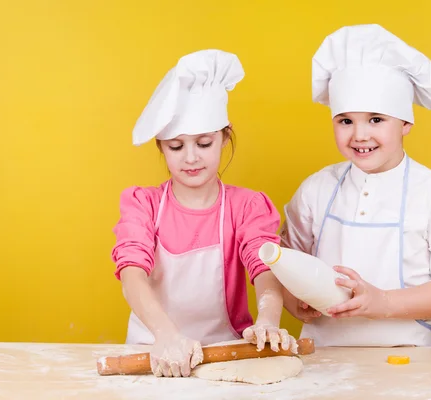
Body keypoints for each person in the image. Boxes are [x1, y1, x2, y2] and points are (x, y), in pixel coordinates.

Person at [280, 24, 431, 347]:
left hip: (406, 359)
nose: (359, 135)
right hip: (321, 359)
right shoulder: (316, 190)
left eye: (376, 119)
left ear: (405, 123)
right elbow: (285, 260)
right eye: (346, 120)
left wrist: (382, 302)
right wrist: (294, 299)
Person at [112, 49, 297, 378]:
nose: (191, 158)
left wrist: (267, 321)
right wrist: (166, 335)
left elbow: (264, 267)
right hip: (153, 353)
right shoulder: (144, 205)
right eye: (176, 146)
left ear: (224, 136)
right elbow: (131, 273)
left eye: (204, 143)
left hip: (224, 355)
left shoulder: (247, 207)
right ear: (161, 147)